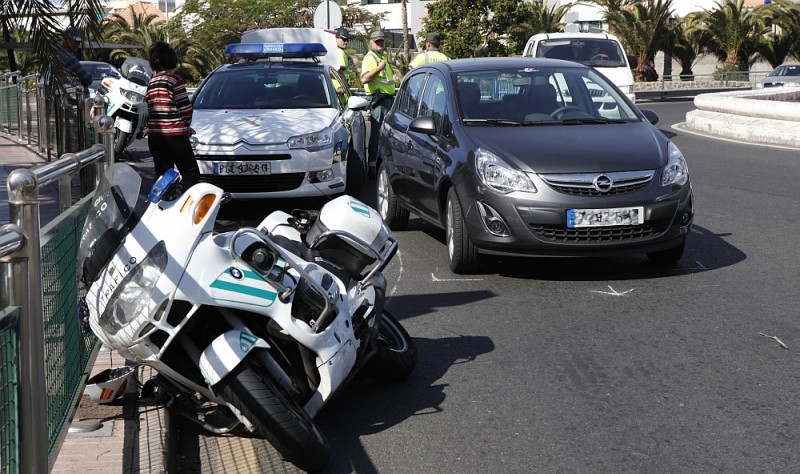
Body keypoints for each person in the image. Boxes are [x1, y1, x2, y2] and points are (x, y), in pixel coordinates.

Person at [146, 41, 200, 188]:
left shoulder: (152, 82)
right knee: (191, 174)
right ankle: (186, 206)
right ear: (172, 60)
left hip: (155, 136)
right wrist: (185, 127)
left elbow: (151, 110)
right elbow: (186, 110)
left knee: (163, 177)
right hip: (175, 138)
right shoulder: (175, 81)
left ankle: (163, 204)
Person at [360, 30, 395, 176]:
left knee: (385, 134)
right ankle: (373, 167)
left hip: (386, 101)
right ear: (370, 43)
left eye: (381, 41)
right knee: (378, 134)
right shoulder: (371, 58)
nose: (380, 43)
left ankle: (381, 165)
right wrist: (379, 68)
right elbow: (364, 79)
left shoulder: (380, 57)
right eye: (377, 41)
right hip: (378, 101)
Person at [44, 27, 93, 97]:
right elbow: (88, 79)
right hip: (74, 100)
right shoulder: (67, 57)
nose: (77, 44)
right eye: (74, 41)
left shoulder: (58, 53)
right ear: (66, 39)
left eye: (78, 42)